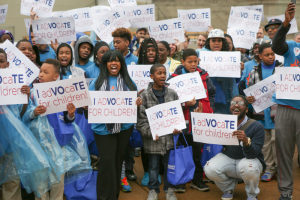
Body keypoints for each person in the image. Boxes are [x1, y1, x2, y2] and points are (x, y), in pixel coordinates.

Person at [89, 50, 141, 200]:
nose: (114, 63)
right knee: (107, 162)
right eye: (110, 60)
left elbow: (133, 106)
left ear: (121, 64)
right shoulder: (96, 83)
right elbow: (90, 105)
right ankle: (103, 197)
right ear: (105, 64)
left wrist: (137, 103)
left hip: (124, 128)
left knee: (118, 161)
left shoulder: (130, 83)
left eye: (117, 60)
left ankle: (114, 196)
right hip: (102, 129)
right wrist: (87, 106)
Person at [169, 48, 215, 192]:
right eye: (190, 62)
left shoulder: (204, 76)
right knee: (183, 151)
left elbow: (212, 93)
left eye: (195, 61)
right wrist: (184, 104)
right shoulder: (174, 78)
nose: (193, 64)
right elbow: (169, 98)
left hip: (199, 121)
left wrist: (207, 108)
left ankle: (197, 180)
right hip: (182, 123)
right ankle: (181, 181)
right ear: (182, 62)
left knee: (197, 152)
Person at [204, 95, 265, 200]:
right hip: (229, 158)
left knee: (249, 169)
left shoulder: (256, 126)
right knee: (209, 168)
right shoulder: (223, 123)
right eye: (233, 103)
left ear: (246, 109)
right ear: (230, 108)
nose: (236, 105)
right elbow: (207, 133)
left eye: (240, 104)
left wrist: (246, 142)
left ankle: (251, 195)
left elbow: (253, 154)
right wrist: (200, 117)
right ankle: (228, 188)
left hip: (248, 160)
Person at [137, 63, 180, 200]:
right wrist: (150, 133)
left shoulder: (172, 94)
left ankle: (169, 190)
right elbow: (141, 121)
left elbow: (177, 115)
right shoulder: (144, 95)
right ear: (151, 76)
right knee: (153, 167)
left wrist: (177, 128)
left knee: (169, 167)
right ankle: (153, 190)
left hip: (169, 140)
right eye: (159, 73)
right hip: (153, 140)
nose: (162, 76)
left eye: (164, 73)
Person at [271, 2, 300, 199]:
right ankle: (286, 193)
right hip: (286, 108)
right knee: (284, 154)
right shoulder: (291, 47)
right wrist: (285, 24)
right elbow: (276, 45)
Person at [243, 43, 281, 182]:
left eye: (272, 54)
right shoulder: (253, 71)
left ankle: (280, 168)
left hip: (278, 113)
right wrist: (250, 98)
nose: (271, 57)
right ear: (260, 56)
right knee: (265, 143)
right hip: (260, 113)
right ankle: (269, 169)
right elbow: (249, 91)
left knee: (277, 140)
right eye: (267, 55)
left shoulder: (281, 70)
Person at [203, 29, 232, 114]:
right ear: (209, 42)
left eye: (219, 40)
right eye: (213, 40)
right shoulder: (201, 56)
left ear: (223, 42)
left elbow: (235, 81)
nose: (216, 43)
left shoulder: (230, 57)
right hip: (207, 99)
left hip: (224, 99)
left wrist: (239, 70)